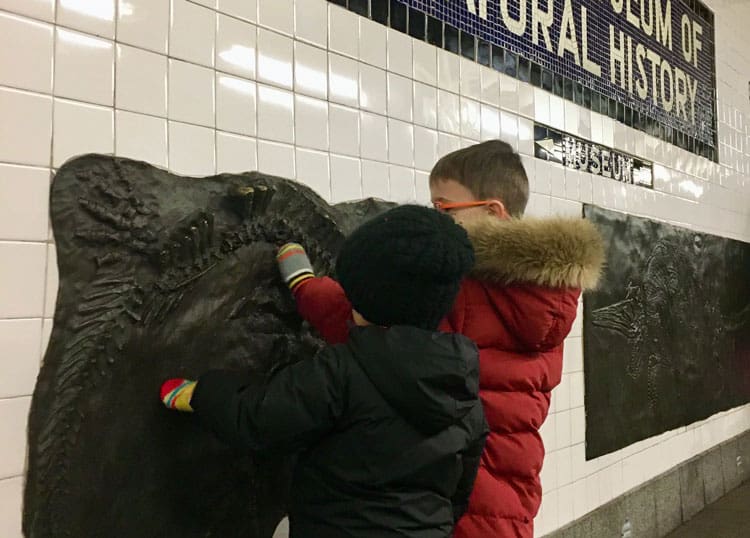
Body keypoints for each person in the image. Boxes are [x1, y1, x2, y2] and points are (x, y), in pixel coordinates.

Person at [289, 140, 605, 537]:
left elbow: (378, 329)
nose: (434, 222)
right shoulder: (546, 294)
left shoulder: (463, 288)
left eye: (443, 209)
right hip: (510, 500)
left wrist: (304, 284)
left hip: (456, 500)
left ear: (493, 212)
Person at [160, 205, 488, 538]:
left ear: (363, 298)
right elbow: (458, 492)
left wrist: (204, 393)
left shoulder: (342, 372)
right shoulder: (464, 393)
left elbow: (259, 419)